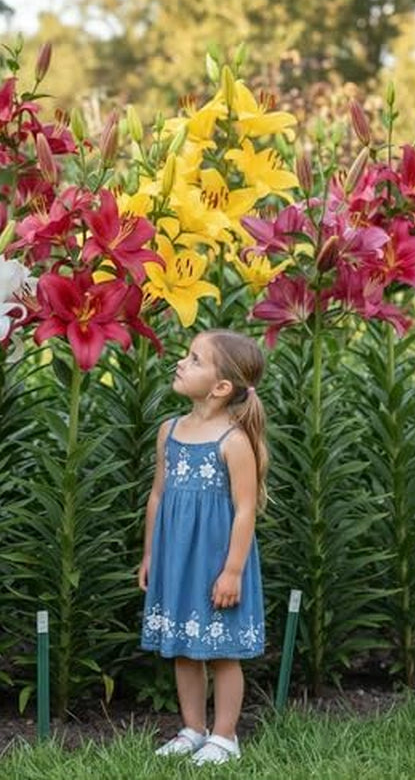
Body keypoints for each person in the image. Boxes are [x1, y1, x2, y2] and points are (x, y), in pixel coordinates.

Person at [138, 328, 267, 766]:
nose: (180, 362)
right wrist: (151, 554)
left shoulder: (233, 442)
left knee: (223, 652)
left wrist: (232, 571)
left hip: (216, 563)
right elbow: (157, 495)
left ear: (221, 387)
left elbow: (246, 511)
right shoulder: (169, 431)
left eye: (194, 359)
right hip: (177, 559)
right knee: (183, 647)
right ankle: (193, 729)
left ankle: (225, 736)